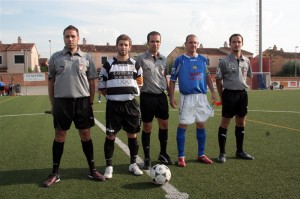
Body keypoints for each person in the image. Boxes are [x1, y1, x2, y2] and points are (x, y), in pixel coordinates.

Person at [43, 25, 105, 187]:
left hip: (83, 103)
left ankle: (93, 170)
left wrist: (90, 102)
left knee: (85, 135)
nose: (70, 39)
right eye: (67, 36)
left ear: (78, 38)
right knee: (59, 136)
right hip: (62, 103)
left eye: (73, 36)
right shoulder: (56, 58)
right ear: (63, 38)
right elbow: (51, 83)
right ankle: (55, 173)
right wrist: (53, 104)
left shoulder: (87, 57)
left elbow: (92, 82)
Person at [98, 34, 144, 179]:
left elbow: (139, 84)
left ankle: (133, 164)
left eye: (126, 45)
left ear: (130, 47)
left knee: (132, 134)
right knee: (111, 135)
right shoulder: (108, 65)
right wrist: (113, 97)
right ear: (116, 46)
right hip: (114, 106)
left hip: (130, 105)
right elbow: (102, 86)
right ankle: (109, 166)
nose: (123, 47)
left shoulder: (136, 65)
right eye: (121, 44)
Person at [169, 34, 216, 167]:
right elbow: (172, 80)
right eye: (190, 42)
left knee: (201, 124)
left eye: (195, 43)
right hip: (187, 97)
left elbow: (207, 77)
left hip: (201, 96)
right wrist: (171, 97)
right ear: (186, 44)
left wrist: (212, 92)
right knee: (183, 124)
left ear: (198, 44)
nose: (193, 45)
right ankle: (181, 156)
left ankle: (201, 154)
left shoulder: (202, 59)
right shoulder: (180, 60)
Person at [136, 31, 173, 170]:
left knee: (164, 126)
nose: (155, 44)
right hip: (147, 97)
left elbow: (166, 78)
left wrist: (170, 96)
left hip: (161, 96)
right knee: (147, 127)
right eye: (152, 41)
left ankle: (163, 153)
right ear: (148, 42)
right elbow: (136, 77)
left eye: (157, 41)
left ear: (160, 43)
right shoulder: (140, 59)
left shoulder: (164, 59)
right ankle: (146, 157)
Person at [215, 33, 254, 163]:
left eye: (239, 42)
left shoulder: (247, 60)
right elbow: (218, 80)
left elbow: (248, 76)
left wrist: (241, 85)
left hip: (242, 95)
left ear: (242, 43)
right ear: (230, 44)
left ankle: (240, 151)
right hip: (229, 95)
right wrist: (222, 96)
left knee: (241, 122)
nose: (236, 44)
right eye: (234, 42)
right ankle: (222, 153)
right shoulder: (224, 62)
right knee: (225, 123)